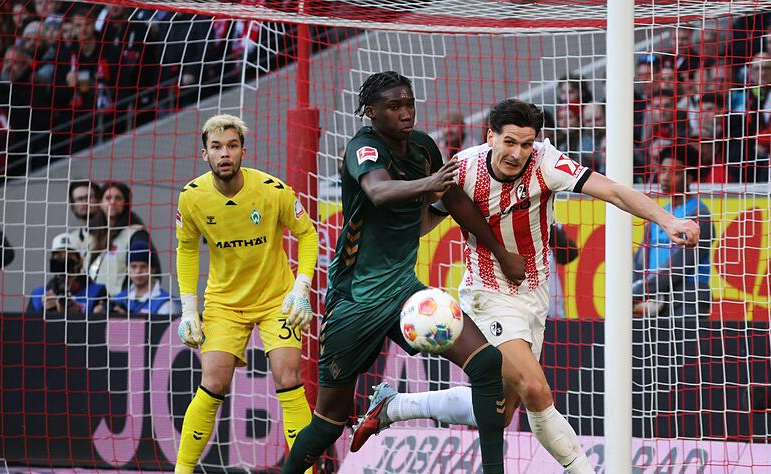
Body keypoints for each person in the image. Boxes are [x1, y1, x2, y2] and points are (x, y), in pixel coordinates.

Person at [351, 98, 701, 474]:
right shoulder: (464, 169)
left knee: (497, 412)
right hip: (486, 295)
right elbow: (426, 222)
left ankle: (394, 406)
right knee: (536, 389)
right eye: (510, 142)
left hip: (533, 295)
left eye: (526, 144)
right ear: (491, 137)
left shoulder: (546, 162)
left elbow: (612, 190)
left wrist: (667, 220)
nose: (517, 153)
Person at [281, 71, 526, 474]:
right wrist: (429, 183)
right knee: (329, 421)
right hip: (355, 302)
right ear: (372, 113)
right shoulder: (363, 148)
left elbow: (456, 200)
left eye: (409, 103)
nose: (406, 113)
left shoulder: (423, 147)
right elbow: (378, 191)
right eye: (394, 107)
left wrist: (498, 251)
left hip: (404, 294)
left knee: (486, 367)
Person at [174, 114, 318, 474]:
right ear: (204, 154)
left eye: (232, 146)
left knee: (288, 376)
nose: (225, 153)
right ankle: (182, 471)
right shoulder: (192, 198)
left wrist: (301, 288)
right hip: (224, 303)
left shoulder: (273, 190)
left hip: (276, 299)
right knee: (212, 381)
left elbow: (308, 235)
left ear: (243, 151)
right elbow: (186, 249)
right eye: (217, 147)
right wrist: (189, 308)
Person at [633, 143, 714, 318]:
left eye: (674, 172)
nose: (664, 177)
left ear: (690, 177)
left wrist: (639, 290)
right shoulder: (658, 214)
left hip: (687, 296)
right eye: (662, 170)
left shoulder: (700, 215)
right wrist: (636, 288)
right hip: (654, 297)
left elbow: (680, 266)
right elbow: (640, 260)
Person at [88, 181, 158, 296]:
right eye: (108, 198)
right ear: (100, 203)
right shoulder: (94, 235)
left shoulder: (137, 234)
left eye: (118, 198)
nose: (113, 202)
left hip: (122, 305)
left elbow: (150, 271)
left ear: (126, 204)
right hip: (95, 303)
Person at [28, 233, 107, 316]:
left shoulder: (97, 292)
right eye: (58, 257)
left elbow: (105, 326)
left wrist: (77, 314)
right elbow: (28, 327)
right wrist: (44, 311)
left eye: (69, 257)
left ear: (80, 262)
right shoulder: (38, 295)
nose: (64, 263)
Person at [110, 240, 180, 316]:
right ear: (127, 269)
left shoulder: (166, 303)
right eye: (133, 266)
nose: (138, 271)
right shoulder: (118, 299)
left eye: (143, 266)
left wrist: (124, 319)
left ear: (153, 269)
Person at [67, 180, 103, 268]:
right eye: (79, 199)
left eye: (89, 197)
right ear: (73, 206)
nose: (84, 202)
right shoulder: (71, 239)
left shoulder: (111, 232)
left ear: (99, 200)